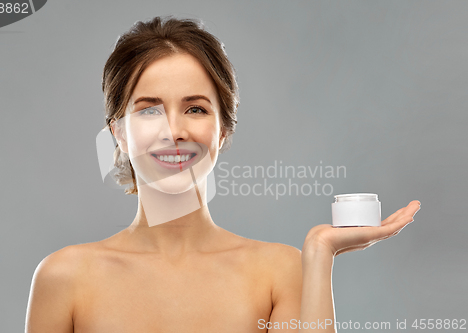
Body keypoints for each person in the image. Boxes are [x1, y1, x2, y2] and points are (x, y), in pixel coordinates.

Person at [25, 16, 421, 333]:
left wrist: (320, 253)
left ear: (223, 130)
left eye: (195, 109)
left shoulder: (278, 272)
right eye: (148, 109)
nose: (173, 131)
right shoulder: (64, 278)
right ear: (119, 133)